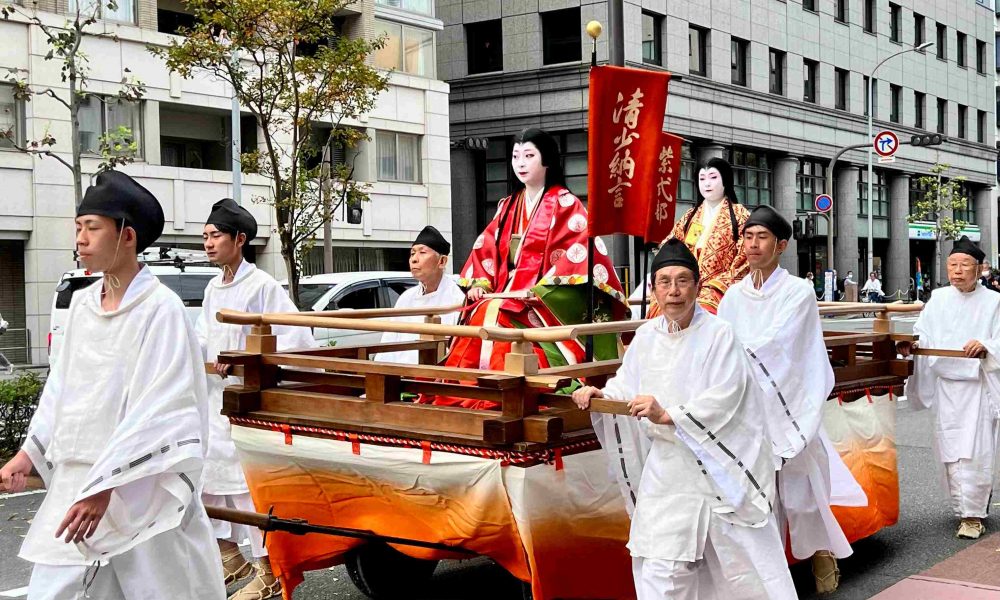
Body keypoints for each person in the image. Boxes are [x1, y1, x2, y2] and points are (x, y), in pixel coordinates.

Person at [0, 171, 225, 599]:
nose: (81, 239)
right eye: (78, 228)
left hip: (140, 484)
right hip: (77, 478)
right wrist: (28, 453)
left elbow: (165, 407)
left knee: (160, 588)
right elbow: (61, 389)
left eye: (93, 228)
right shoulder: (83, 306)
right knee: (56, 586)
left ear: (127, 235)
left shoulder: (161, 310)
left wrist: (108, 485)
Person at [574, 239, 796, 600]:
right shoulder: (646, 337)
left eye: (682, 281)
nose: (673, 292)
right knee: (662, 570)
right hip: (668, 472)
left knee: (743, 575)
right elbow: (627, 386)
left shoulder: (719, 334)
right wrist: (603, 396)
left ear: (697, 285)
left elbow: (727, 397)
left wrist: (670, 415)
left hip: (720, 467)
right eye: (664, 282)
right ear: (654, 289)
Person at [717, 206, 867, 594]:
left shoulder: (798, 292)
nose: (752, 245)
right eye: (747, 237)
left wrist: (738, 357)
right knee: (755, 493)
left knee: (801, 492)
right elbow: (719, 342)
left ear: (781, 245)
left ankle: (821, 552)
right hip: (745, 406)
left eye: (761, 237)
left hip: (789, 405)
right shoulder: (733, 295)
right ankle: (770, 577)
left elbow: (781, 345)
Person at [429, 128, 628, 409]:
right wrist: (479, 284)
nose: (520, 163)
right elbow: (486, 249)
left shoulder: (567, 205)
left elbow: (580, 255)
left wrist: (539, 290)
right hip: (506, 293)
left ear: (546, 160)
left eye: (529, 155)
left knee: (495, 313)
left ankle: (502, 387)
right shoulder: (507, 205)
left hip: (546, 299)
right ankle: (470, 387)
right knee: (485, 312)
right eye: (515, 156)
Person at [197, 198, 317, 600]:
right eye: (205, 237)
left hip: (251, 403)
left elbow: (294, 337)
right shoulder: (214, 287)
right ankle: (230, 556)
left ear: (240, 239)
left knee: (250, 489)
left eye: (215, 236)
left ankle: (269, 573)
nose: (208, 243)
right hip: (218, 401)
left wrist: (250, 362)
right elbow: (203, 338)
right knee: (209, 483)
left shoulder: (262, 286)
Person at [900, 236, 1000, 540]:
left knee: (976, 451)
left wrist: (985, 344)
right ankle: (961, 506)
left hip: (977, 387)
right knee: (951, 448)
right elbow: (924, 334)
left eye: (964, 265)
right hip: (947, 385)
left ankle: (973, 514)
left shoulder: (994, 301)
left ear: (979, 268)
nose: (957, 271)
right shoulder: (939, 298)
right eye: (952, 265)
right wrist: (913, 345)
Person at [649, 157, 750, 316]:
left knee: (700, 313)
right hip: (683, 284)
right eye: (702, 178)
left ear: (726, 180)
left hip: (717, 289)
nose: (707, 183)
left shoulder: (740, 216)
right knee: (661, 308)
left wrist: (715, 285)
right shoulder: (690, 216)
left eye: (713, 177)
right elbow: (670, 245)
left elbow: (745, 259)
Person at [374, 226, 466, 364]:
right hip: (400, 374)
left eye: (422, 252)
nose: (414, 259)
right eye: (412, 254)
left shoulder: (458, 299)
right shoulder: (406, 298)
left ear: (442, 261)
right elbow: (389, 340)